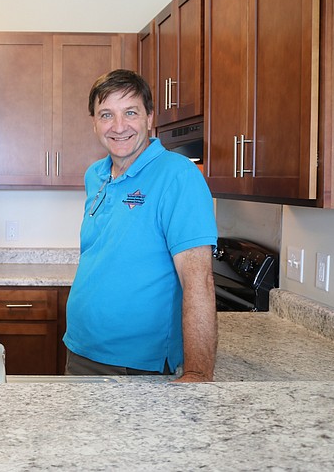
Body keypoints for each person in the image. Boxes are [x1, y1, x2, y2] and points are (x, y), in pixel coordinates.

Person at [63, 69, 218, 383]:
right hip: (79, 349)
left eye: (130, 112)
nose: (119, 127)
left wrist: (198, 374)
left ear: (149, 117)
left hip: (133, 365)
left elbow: (198, 280)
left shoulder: (178, 176)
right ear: (93, 122)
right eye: (107, 114)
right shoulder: (96, 174)